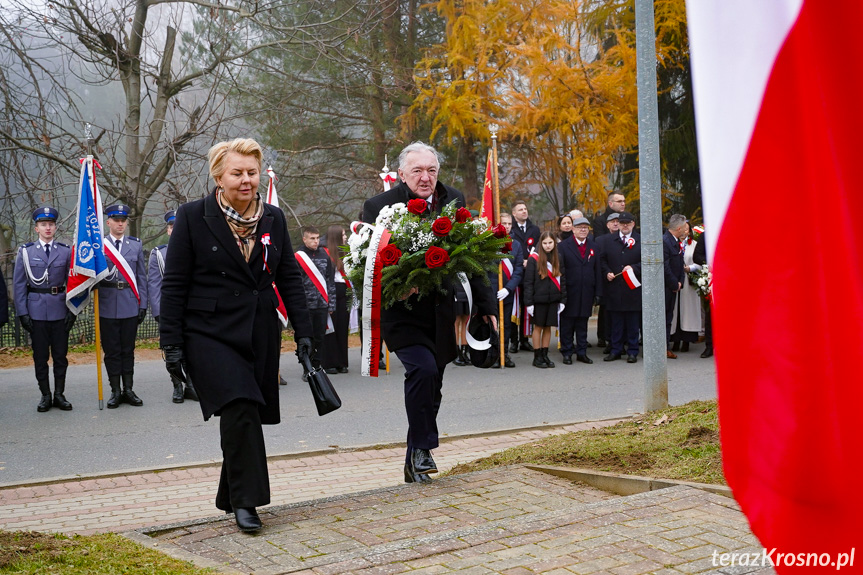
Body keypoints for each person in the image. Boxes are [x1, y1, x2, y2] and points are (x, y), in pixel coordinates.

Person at [159, 138, 314, 533]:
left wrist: (304, 334)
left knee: (244, 415)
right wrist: (171, 344)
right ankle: (247, 503)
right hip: (208, 333)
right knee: (240, 404)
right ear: (218, 176)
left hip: (259, 332)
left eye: (252, 172)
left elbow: (289, 280)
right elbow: (174, 285)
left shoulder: (274, 219)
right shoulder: (193, 216)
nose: (246, 181)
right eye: (237, 173)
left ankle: (230, 493)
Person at [361, 141, 496, 484]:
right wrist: (395, 284)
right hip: (400, 312)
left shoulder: (453, 201)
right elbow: (365, 262)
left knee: (433, 382)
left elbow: (471, 255)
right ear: (402, 174)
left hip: (440, 311)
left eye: (431, 170)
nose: (425, 177)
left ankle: (413, 460)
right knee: (420, 371)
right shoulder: (379, 206)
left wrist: (485, 306)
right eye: (418, 171)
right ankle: (424, 449)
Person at [13, 207, 76, 412]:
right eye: (43, 224)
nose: (47, 228)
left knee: (60, 356)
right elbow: (19, 285)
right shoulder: (26, 252)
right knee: (40, 357)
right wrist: (22, 313)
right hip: (36, 311)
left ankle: (59, 394)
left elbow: (72, 283)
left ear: (55, 227)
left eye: (50, 224)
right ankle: (45, 395)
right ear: (36, 228)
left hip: (59, 309)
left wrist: (72, 311)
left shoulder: (66, 251)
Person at [100, 203, 148, 408]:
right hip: (107, 303)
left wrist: (142, 304)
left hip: (129, 302)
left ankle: (128, 389)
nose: (120, 224)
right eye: (116, 220)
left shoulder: (135, 245)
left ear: (126, 223)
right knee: (112, 351)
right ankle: (115, 391)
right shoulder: (99, 245)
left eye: (123, 221)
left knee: (128, 350)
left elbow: (141, 278)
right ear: (108, 222)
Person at [148, 210, 198, 403]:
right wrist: (160, 313)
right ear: (168, 230)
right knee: (172, 352)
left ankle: (192, 386)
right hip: (170, 311)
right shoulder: (159, 254)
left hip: (192, 308)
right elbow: (154, 285)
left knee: (192, 349)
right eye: (172, 227)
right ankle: (177, 386)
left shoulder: (196, 251)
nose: (175, 230)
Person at [557, 217, 601, 365]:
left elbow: (597, 271)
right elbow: (560, 270)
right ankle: (567, 352)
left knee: (583, 324)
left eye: (585, 227)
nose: (583, 230)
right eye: (580, 227)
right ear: (573, 229)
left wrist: (598, 293)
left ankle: (582, 352)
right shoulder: (563, 246)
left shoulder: (594, 246)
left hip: (587, 292)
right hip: (569, 291)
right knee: (567, 324)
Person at [600, 212, 642, 363]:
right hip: (614, 288)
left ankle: (632, 351)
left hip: (633, 289)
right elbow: (602, 260)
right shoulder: (609, 240)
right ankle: (616, 350)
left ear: (633, 224)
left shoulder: (640, 240)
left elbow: (645, 261)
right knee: (616, 323)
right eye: (622, 222)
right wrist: (607, 272)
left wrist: (634, 268)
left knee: (632, 323)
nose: (624, 225)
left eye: (627, 223)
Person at [296, 226, 336, 379]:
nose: (316, 241)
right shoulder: (298, 257)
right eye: (312, 238)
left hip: (322, 304)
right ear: (304, 239)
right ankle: (307, 368)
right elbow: (295, 284)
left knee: (320, 336)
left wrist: (331, 304)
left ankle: (317, 365)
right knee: (306, 337)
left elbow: (329, 281)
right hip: (305, 305)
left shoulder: (324, 256)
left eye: (317, 238)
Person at [524, 231, 566, 368]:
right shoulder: (533, 259)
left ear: (554, 243)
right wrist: (529, 303)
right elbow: (528, 283)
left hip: (553, 299)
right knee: (538, 327)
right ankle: (537, 357)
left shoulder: (558, 258)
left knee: (548, 328)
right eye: (545, 243)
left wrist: (562, 300)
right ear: (540, 244)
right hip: (538, 300)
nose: (548, 246)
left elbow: (562, 280)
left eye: (550, 243)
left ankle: (545, 354)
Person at [489, 213, 522, 369]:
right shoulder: (489, 242)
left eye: (509, 224)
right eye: (504, 223)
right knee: (493, 325)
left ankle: (505, 354)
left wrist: (508, 289)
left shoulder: (516, 245)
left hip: (507, 292)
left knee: (506, 325)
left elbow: (518, 270)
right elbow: (486, 268)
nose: (507, 226)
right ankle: (494, 355)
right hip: (492, 291)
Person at [509, 199, 540, 353]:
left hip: (530, 274)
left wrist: (531, 260)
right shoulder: (511, 229)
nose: (524, 211)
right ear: (514, 214)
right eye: (520, 209)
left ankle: (524, 339)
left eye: (525, 209)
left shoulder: (534, 230)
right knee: (515, 309)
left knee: (527, 307)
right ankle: (513, 340)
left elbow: (538, 247)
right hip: (515, 274)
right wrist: (521, 261)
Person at [321, 225, 350, 374]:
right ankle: (330, 362)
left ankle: (342, 362)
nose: (345, 237)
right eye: (343, 235)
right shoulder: (325, 253)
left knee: (342, 326)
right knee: (331, 327)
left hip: (343, 289)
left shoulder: (345, 251)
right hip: (331, 291)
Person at [671, 223, 703, 352]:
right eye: (681, 228)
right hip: (675, 280)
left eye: (686, 228)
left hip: (688, 281)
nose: (683, 231)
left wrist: (690, 268)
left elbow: (700, 262)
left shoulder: (694, 245)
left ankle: (687, 341)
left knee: (688, 311)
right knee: (675, 311)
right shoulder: (673, 244)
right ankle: (675, 339)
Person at [594, 212, 620, 351]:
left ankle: (618, 340)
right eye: (612, 221)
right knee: (605, 312)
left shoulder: (627, 239)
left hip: (622, 281)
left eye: (618, 221)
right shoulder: (600, 240)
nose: (615, 224)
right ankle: (603, 337)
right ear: (607, 225)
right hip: (605, 280)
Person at [663, 214, 687, 359]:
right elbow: (665, 266)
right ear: (679, 228)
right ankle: (664, 348)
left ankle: (666, 347)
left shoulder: (675, 240)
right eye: (684, 227)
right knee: (665, 318)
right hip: (666, 287)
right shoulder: (665, 242)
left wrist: (680, 282)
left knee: (668, 318)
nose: (686, 230)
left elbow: (680, 263)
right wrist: (674, 283)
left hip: (673, 286)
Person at [692, 231, 713, 358]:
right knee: (710, 314)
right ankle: (709, 346)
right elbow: (697, 256)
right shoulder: (705, 235)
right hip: (711, 276)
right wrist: (709, 262)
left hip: (731, 276)